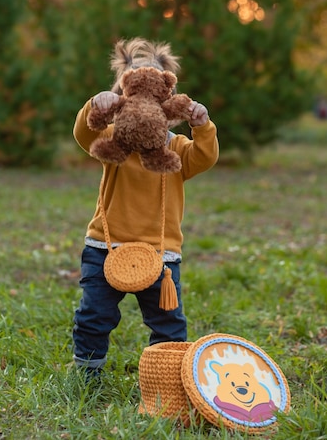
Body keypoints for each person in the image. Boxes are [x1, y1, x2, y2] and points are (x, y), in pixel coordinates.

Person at [72, 37, 219, 376]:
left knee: (167, 320)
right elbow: (83, 134)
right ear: (122, 96)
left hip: (160, 254)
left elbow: (205, 157)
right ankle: (86, 371)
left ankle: (165, 375)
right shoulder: (112, 141)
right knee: (94, 314)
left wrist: (203, 126)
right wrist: (95, 103)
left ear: (168, 102)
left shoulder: (178, 149)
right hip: (105, 246)